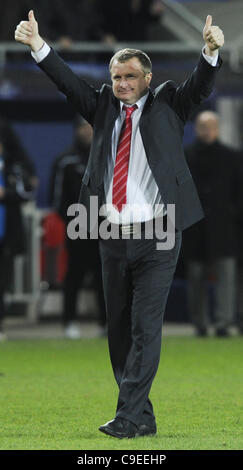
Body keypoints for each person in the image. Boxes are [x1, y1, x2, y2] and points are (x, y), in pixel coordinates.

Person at [15, 10, 224, 438]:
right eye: (116, 77)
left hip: (160, 235)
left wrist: (209, 52)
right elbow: (67, 82)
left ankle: (127, 418)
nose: (122, 84)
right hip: (110, 233)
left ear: (146, 78)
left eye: (129, 76)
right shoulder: (102, 106)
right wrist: (39, 45)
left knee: (146, 327)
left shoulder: (169, 102)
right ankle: (141, 415)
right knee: (119, 333)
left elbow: (199, 87)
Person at [183, 111, 242, 337]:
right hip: (195, 229)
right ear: (196, 129)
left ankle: (223, 322)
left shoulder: (232, 157)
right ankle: (200, 322)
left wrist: (232, 214)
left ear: (217, 129)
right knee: (196, 278)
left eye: (211, 127)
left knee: (226, 278)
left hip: (225, 229)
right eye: (203, 127)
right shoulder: (186, 156)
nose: (207, 131)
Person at [49, 116, 107, 339]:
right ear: (76, 130)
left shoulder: (107, 157)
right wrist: (71, 221)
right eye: (84, 127)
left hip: (104, 225)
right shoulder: (66, 160)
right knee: (75, 275)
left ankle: (106, 323)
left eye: (92, 127)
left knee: (105, 276)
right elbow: (57, 197)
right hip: (77, 225)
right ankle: (70, 321)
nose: (88, 132)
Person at [0, 118, 37, 341]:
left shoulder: (14, 166)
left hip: (7, 231)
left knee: (3, 279)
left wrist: (6, 195)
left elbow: (27, 192)